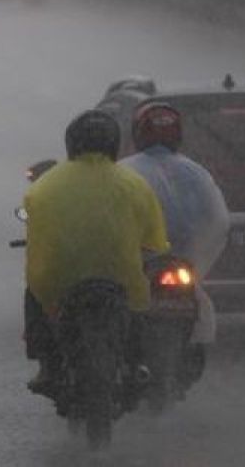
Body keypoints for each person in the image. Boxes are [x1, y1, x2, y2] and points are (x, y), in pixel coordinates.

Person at [23, 109, 170, 391]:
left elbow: (37, 233)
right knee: (139, 311)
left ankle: (46, 365)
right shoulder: (134, 184)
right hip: (121, 276)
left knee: (33, 295)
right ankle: (139, 361)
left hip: (61, 278)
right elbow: (155, 240)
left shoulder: (45, 186)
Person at [118, 102, 230, 348]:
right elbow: (218, 222)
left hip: (139, 265)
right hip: (181, 265)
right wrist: (194, 259)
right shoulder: (197, 173)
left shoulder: (123, 172)